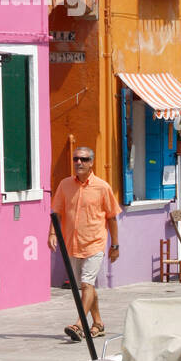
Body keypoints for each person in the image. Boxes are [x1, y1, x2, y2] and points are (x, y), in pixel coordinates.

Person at [49, 146, 120, 341]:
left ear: (91, 163)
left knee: (86, 283)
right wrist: (52, 233)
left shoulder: (102, 187)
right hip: (72, 244)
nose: (78, 162)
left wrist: (115, 246)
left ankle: (79, 325)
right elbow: (56, 212)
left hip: (95, 243)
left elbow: (112, 218)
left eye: (83, 159)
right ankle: (98, 323)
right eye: (75, 159)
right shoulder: (64, 185)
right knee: (86, 287)